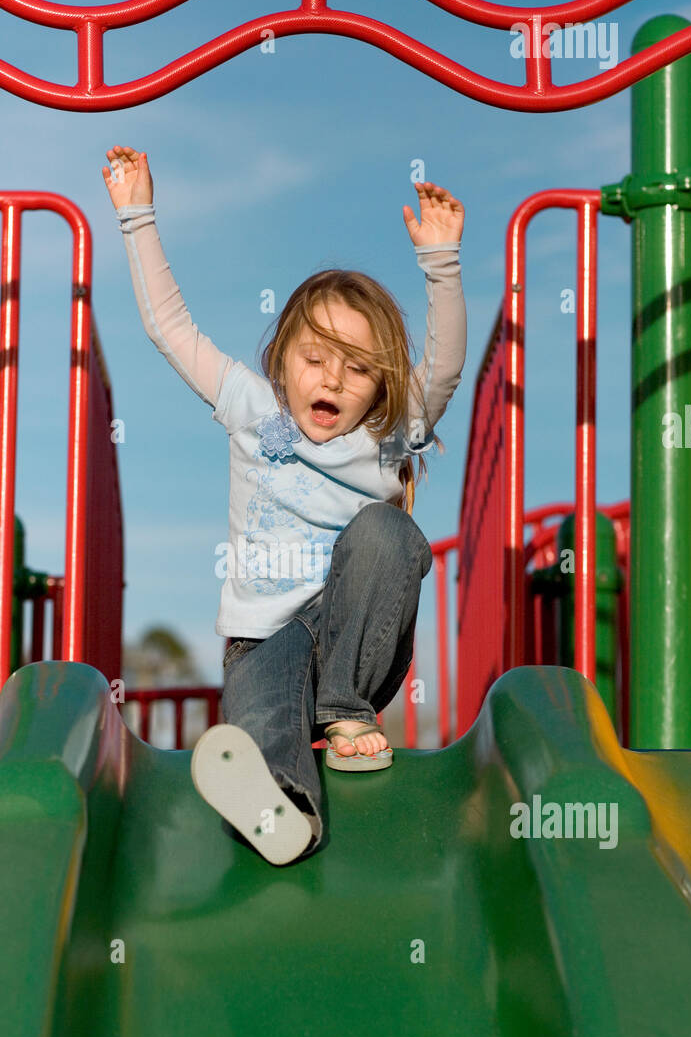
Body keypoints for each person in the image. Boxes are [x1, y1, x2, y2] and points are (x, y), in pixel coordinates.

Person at [103, 145, 465, 866]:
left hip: (353, 640)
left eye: (357, 367)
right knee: (265, 714)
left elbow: (446, 365)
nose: (332, 378)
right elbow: (171, 329)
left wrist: (442, 265)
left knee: (387, 531)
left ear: (380, 383)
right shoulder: (253, 410)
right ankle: (280, 803)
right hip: (265, 635)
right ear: (281, 361)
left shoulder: (386, 435)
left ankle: (343, 715)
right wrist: (136, 215)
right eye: (314, 357)